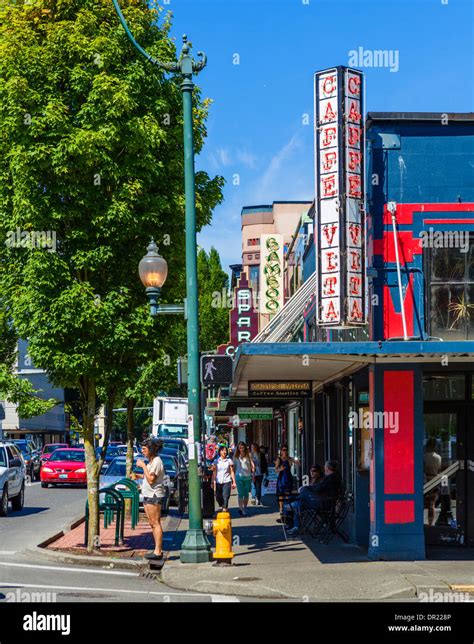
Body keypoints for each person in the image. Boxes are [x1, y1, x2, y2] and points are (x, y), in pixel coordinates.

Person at [286, 460, 342, 536]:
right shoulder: (333, 477)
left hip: (323, 504)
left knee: (303, 490)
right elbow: (319, 488)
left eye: (324, 467)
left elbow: (318, 488)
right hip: (322, 502)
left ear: (327, 468)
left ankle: (291, 507)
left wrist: (308, 487)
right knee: (299, 504)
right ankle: (296, 527)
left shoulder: (330, 478)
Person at [135, 438, 166, 560]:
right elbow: (148, 476)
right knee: (152, 523)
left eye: (144, 449)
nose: (142, 451)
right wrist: (138, 475)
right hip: (148, 494)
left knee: (155, 522)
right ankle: (157, 549)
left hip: (154, 495)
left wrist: (142, 466)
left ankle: (158, 551)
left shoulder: (157, 461)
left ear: (151, 450)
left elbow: (151, 479)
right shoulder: (151, 462)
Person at [233, 441, 255, 516]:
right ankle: (241, 508)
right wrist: (233, 479)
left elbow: (252, 465)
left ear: (245, 448)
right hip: (238, 477)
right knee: (240, 493)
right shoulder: (236, 456)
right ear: (238, 448)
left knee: (246, 494)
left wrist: (253, 473)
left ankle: (244, 507)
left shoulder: (248, 455)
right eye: (240, 448)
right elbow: (234, 467)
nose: (241, 449)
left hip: (248, 477)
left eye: (242, 448)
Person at [424, 438, 442, 526]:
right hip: (434, 482)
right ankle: (430, 523)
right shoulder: (438, 457)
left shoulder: (424, 457)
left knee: (422, 503)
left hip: (425, 481)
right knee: (432, 504)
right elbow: (439, 469)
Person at [212, 445, 236, 511]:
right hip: (218, 481)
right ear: (219, 452)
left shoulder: (229, 461)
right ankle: (223, 506)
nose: (224, 452)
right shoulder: (216, 461)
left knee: (225, 496)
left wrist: (234, 482)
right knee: (218, 497)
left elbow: (232, 472)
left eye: (225, 450)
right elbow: (214, 472)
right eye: (222, 450)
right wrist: (213, 482)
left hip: (227, 481)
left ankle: (224, 508)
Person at [275, 445, 294, 513]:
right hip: (282, 477)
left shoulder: (289, 458)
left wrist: (295, 462)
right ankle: (281, 508)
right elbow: (276, 470)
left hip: (288, 477)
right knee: (281, 494)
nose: (285, 451)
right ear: (281, 451)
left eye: (286, 450)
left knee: (288, 493)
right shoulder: (279, 459)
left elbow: (293, 464)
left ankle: (287, 507)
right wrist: (280, 469)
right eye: (283, 450)